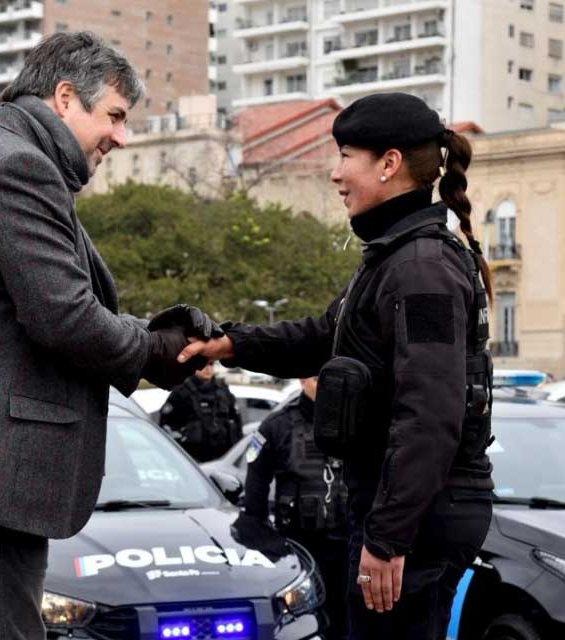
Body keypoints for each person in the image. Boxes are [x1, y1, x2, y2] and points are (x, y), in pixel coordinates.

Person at [0, 32, 218, 640]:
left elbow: (36, 308)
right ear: (64, 98)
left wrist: (143, 333)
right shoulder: (18, 166)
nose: (120, 135)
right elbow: (66, 317)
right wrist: (156, 350)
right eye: (113, 116)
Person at [181, 93, 494, 639]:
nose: (335, 174)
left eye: (346, 155)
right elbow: (323, 338)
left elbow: (430, 414)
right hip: (403, 512)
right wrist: (227, 344)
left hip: (415, 520)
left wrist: (389, 538)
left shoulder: (420, 267)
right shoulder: (395, 257)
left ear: (389, 163)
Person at [236, 377, 349, 639]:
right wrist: (261, 538)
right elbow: (256, 485)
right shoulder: (278, 425)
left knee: (347, 622)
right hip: (298, 547)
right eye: (315, 378)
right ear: (301, 380)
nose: (322, 385)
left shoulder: (354, 422)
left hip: (347, 546)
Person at [159, 362, 243, 462]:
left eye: (210, 364)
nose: (207, 368)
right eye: (203, 364)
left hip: (222, 459)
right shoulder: (181, 392)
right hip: (191, 460)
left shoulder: (224, 391)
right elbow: (165, 426)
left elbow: (237, 422)